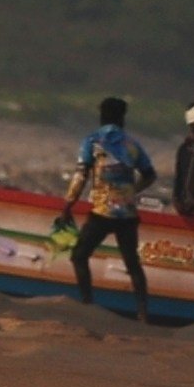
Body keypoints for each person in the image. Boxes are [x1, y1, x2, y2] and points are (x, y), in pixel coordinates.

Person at [67, 98, 156, 320]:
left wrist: (68, 204)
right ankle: (143, 313)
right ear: (122, 118)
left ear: (101, 117)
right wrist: (131, 190)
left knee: (79, 255)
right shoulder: (132, 145)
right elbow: (150, 175)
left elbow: (80, 176)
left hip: (102, 211)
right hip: (127, 213)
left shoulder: (92, 141)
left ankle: (88, 303)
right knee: (132, 264)